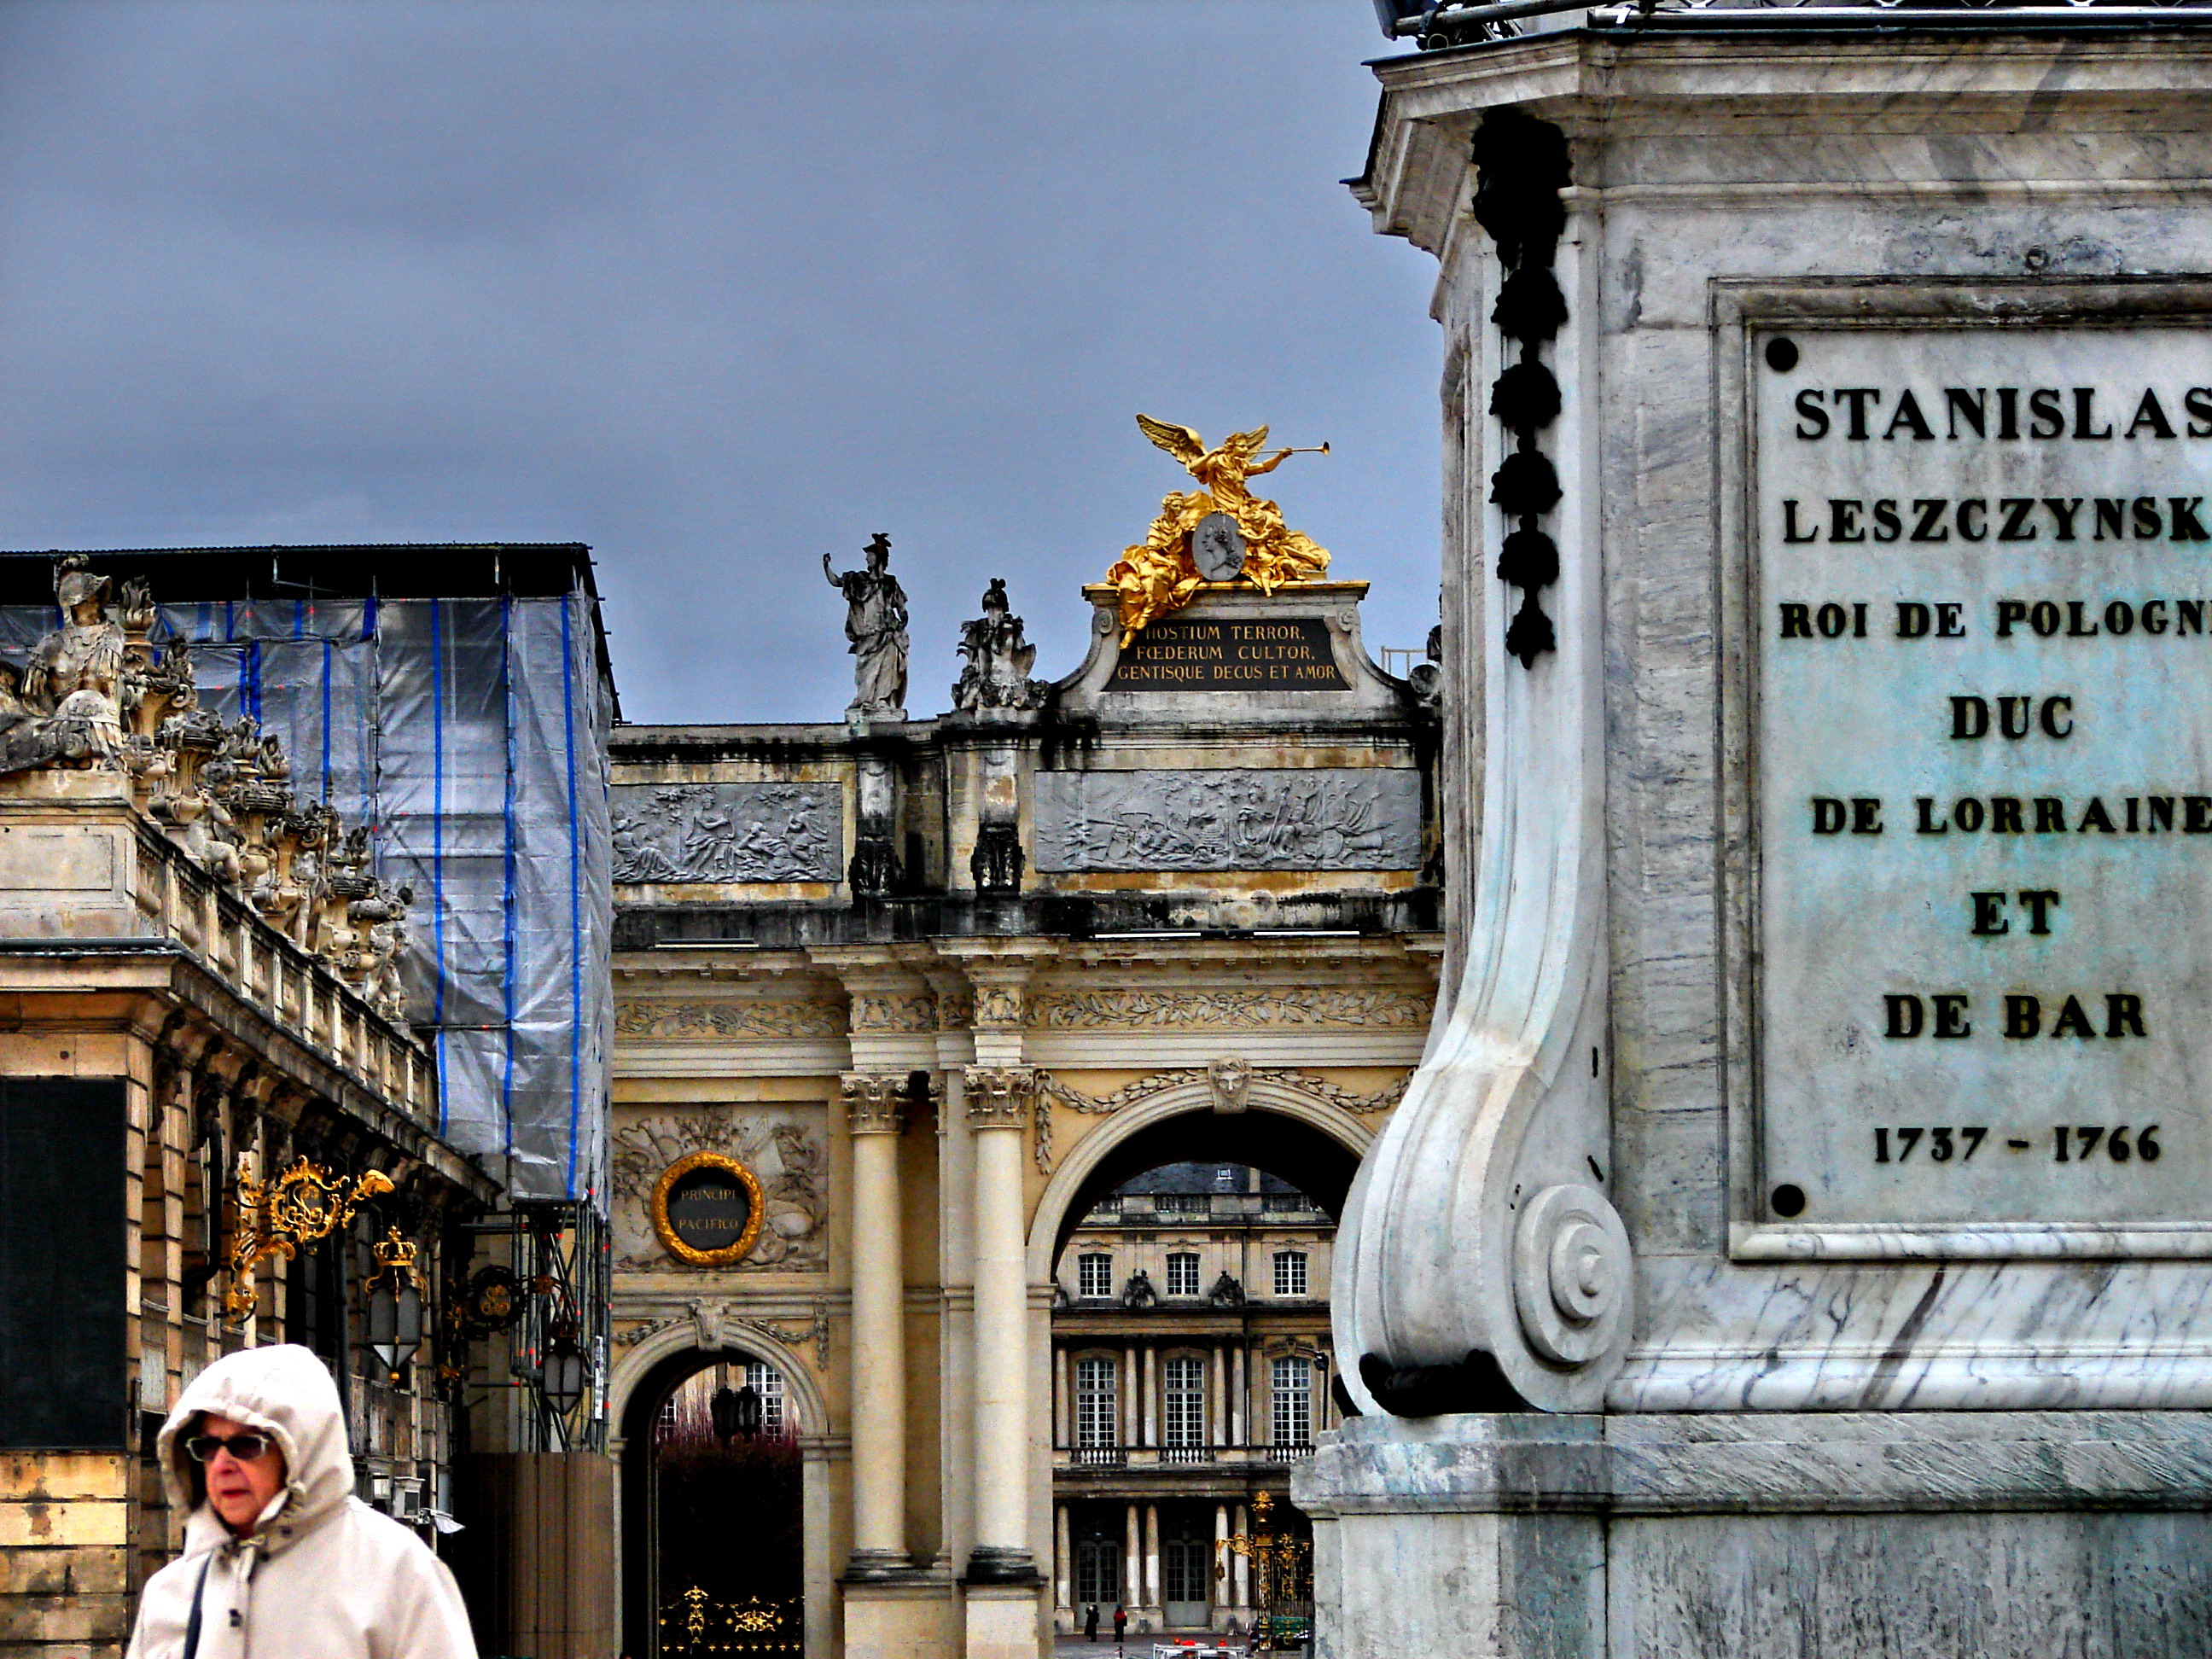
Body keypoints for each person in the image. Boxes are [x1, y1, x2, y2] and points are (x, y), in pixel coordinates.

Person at [126, 1343, 477, 1659]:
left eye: (246, 1445)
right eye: (207, 1447)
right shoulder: (171, 1592)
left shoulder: (398, 1574)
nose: (222, 1465)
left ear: (300, 1450)